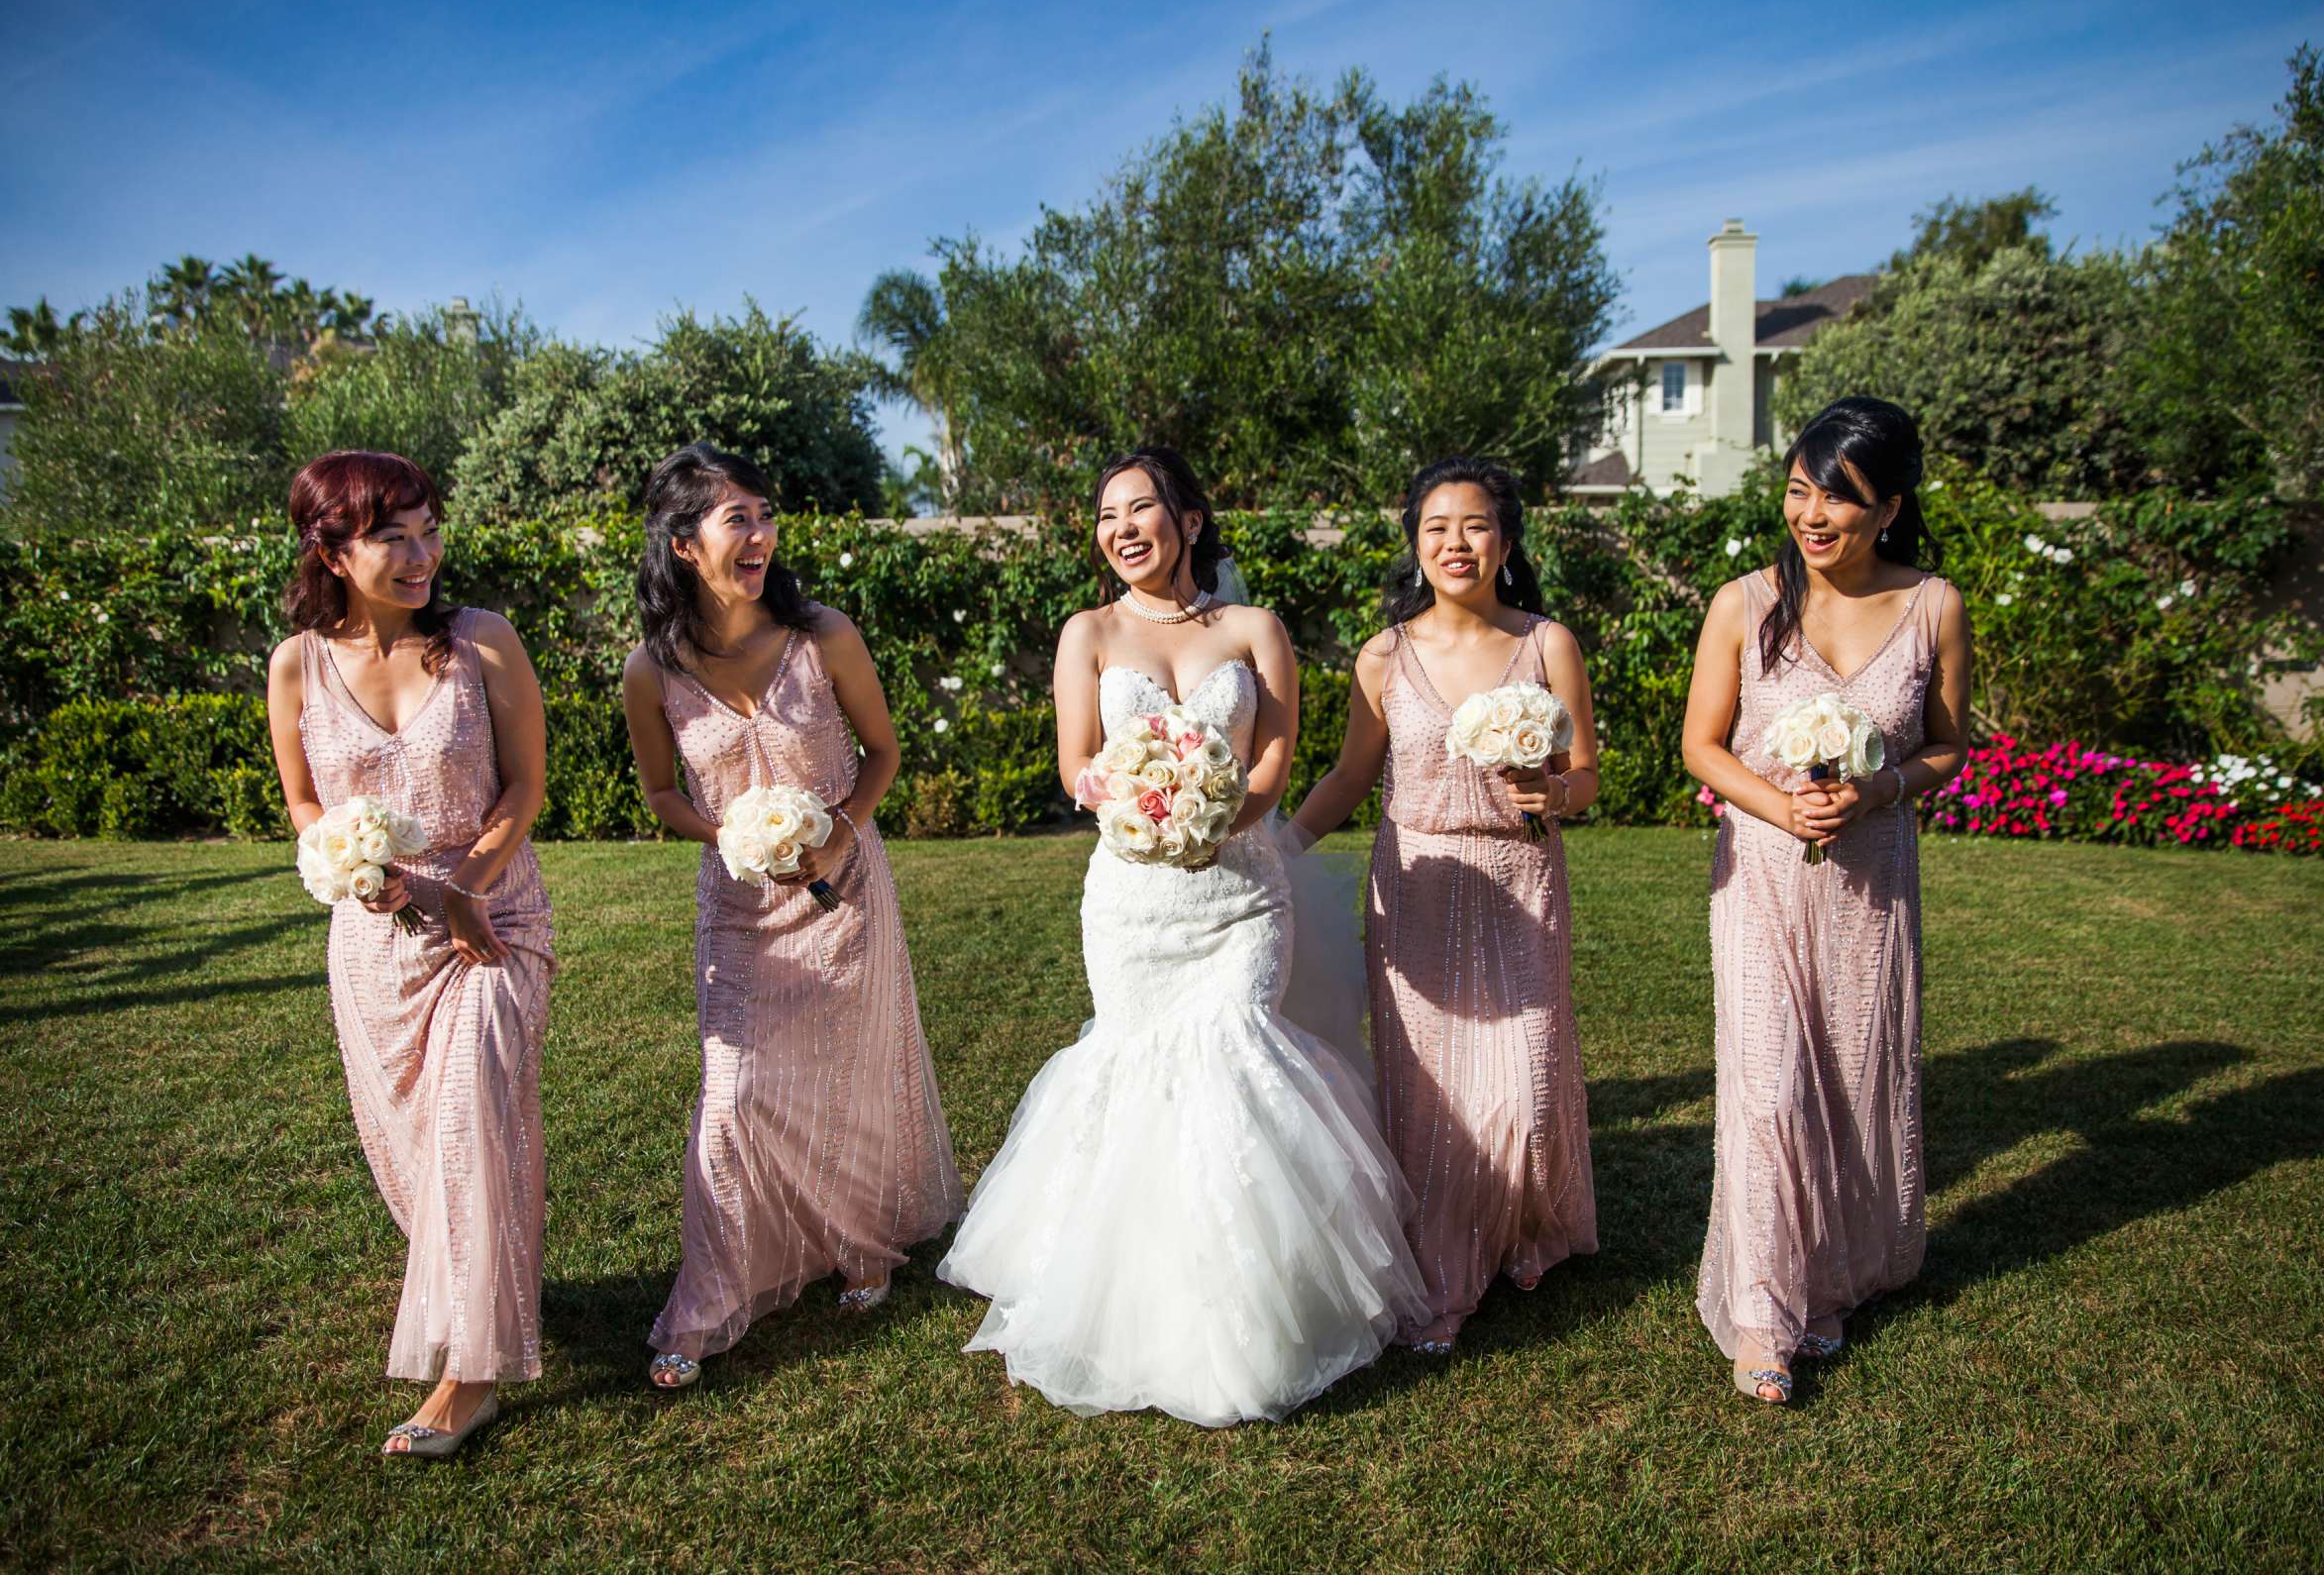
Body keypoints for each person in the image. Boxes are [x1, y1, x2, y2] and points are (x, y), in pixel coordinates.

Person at [939, 446, 1426, 1425]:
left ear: (1189, 520)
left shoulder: (1254, 628)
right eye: (1107, 515)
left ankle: (1254, 1319)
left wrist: (1220, 815)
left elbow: (1279, 752)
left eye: (1142, 509)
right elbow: (1077, 762)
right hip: (1131, 901)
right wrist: (1134, 805)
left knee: (1237, 1057)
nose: (1123, 529)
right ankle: (1134, 1301)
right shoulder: (1089, 631)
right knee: (1138, 1072)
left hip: (1242, 895)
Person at [621, 443, 960, 1390]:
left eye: (766, 516)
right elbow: (660, 791)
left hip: (845, 890)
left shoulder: (825, 636)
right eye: (740, 520)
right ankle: (707, 1301)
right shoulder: (651, 672)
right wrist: (734, 839)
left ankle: (861, 1240)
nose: (763, 535)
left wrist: (838, 835)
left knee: (847, 1079)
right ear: (686, 545)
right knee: (731, 1100)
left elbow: (883, 753)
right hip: (736, 908)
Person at [1678, 396, 1971, 1405]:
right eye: (1799, 491)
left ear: (1888, 507)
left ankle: (1834, 1276)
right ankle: (1762, 1314)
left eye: (1838, 499)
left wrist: (1879, 787)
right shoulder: (1742, 601)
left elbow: (1946, 746)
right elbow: (1702, 743)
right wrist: (1779, 807)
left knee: (1852, 1079)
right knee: (1768, 1085)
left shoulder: (1934, 605)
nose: (1812, 515)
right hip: (1759, 873)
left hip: (1872, 879)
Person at [264, 450, 553, 1457]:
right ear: (330, 549)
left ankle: (465, 1380)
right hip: (374, 944)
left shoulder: (483, 643)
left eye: (431, 529)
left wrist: (462, 884)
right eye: (395, 536)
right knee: (414, 1148)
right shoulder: (297, 662)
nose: (424, 553)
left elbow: (525, 787)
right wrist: (349, 866)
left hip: (491, 926)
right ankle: (489, 1281)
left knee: (473, 1117)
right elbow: (304, 800)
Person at [1292, 456, 1599, 1353]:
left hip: (1521, 881)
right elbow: (1351, 776)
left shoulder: (1549, 644)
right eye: (1436, 527)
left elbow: (1584, 775)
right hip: (1418, 884)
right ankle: (1447, 1271)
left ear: (1505, 541)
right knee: (1433, 1102)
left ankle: (1523, 1223)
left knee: (1526, 1092)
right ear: (1414, 544)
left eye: (1474, 526)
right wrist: (1275, 847)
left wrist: (1558, 795)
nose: (1455, 543)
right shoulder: (1384, 655)